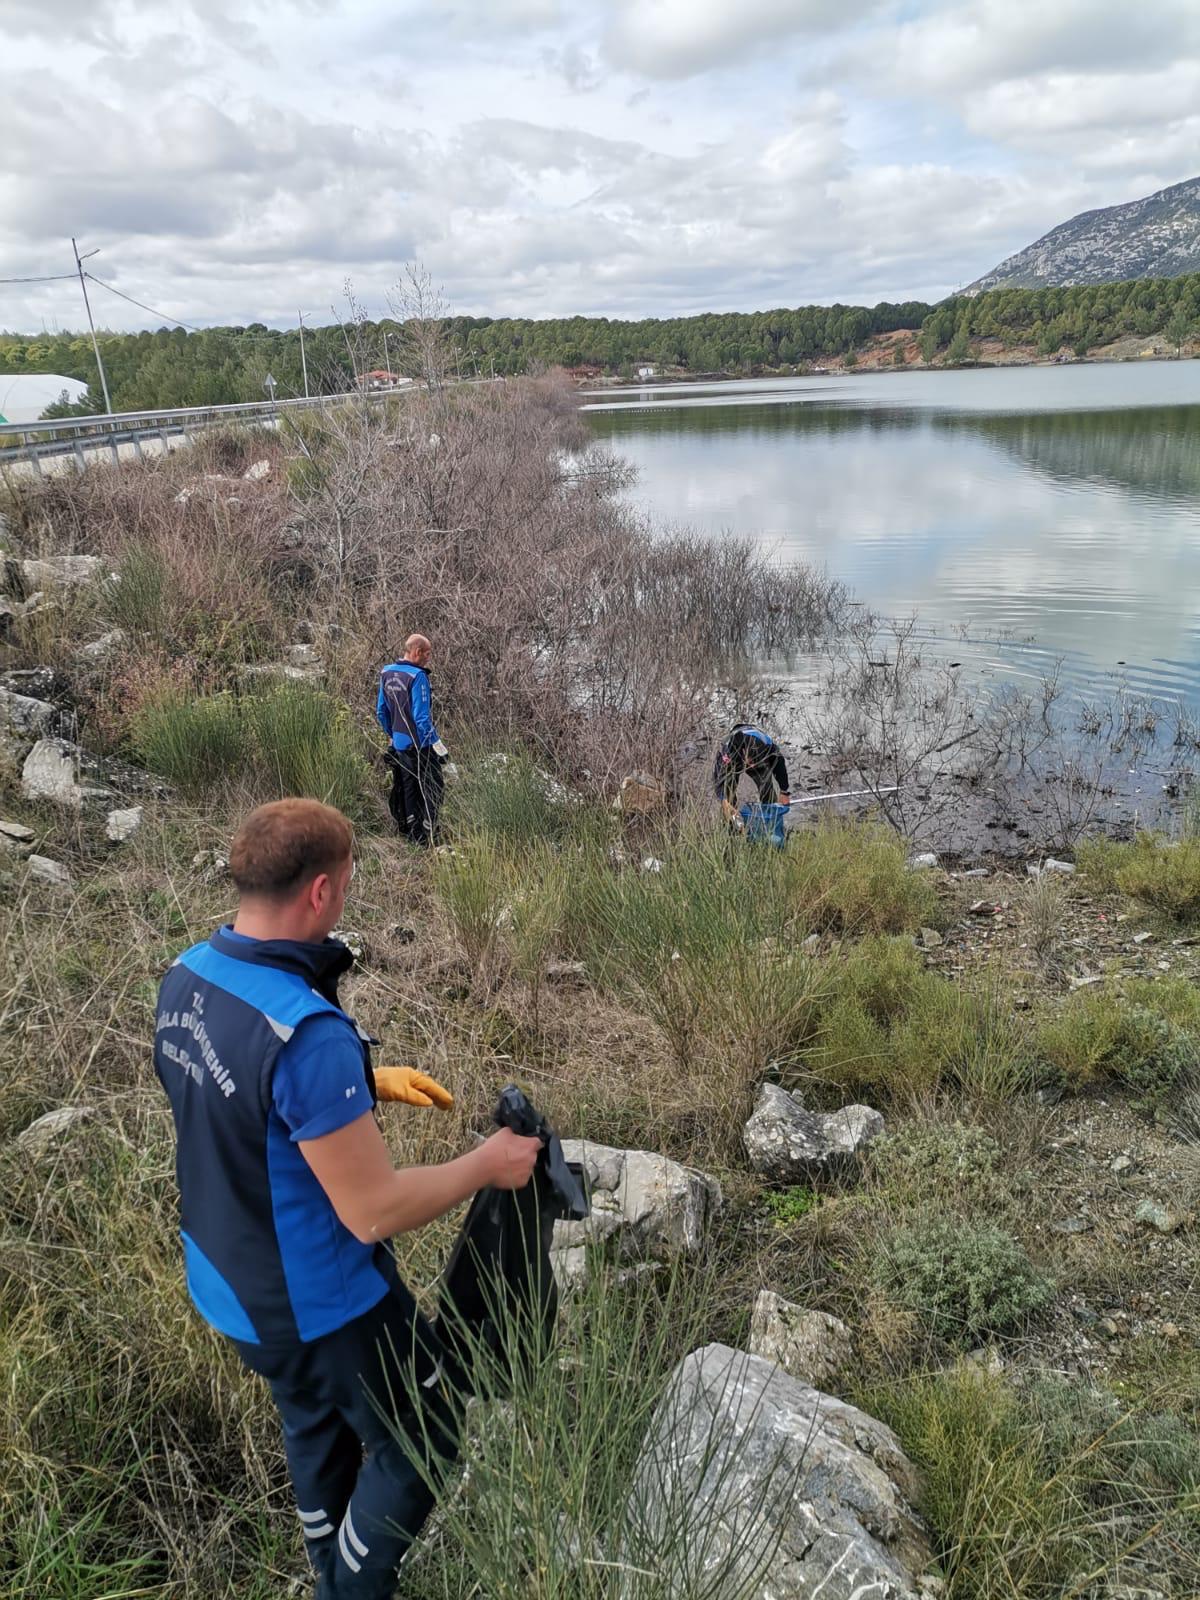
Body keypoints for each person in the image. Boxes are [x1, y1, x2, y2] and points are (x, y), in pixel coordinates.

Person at [152, 799, 541, 1598]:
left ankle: (330, 1567)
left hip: (231, 1289)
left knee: (315, 1422)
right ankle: (347, 1590)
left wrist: (364, 1085)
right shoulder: (308, 1034)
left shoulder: (186, 976)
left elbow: (241, 1103)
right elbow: (374, 1209)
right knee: (424, 1441)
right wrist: (489, 1162)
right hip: (324, 1309)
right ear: (321, 893)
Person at [377, 634, 448, 845]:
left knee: (407, 786)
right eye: (427, 654)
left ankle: (409, 831)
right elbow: (421, 718)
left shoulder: (387, 672)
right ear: (417, 652)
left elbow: (381, 711)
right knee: (433, 787)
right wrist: (437, 746)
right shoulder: (418, 677)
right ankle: (428, 833)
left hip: (399, 744)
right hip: (419, 745)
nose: (428, 658)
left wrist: (391, 735)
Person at [713, 724, 791, 826]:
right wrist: (724, 800)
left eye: (754, 760)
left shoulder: (766, 745)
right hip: (735, 759)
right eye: (750, 760)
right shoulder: (728, 751)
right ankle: (732, 826)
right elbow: (719, 778)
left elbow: (779, 764)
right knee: (728, 796)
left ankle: (770, 825)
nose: (751, 765)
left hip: (760, 758)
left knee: (767, 789)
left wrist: (784, 791)